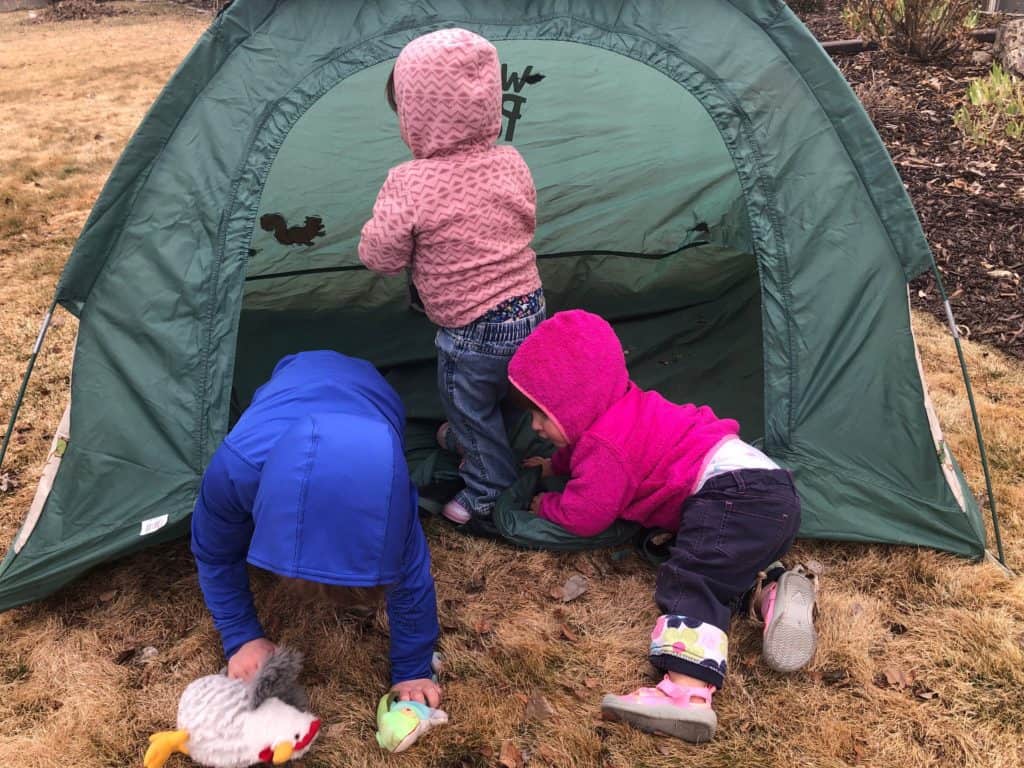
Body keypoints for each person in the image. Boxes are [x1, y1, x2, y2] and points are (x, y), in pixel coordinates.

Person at [508, 310, 817, 742]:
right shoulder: (622, 408)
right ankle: (771, 592)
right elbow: (582, 451)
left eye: (543, 415)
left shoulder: (604, 445)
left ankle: (686, 694)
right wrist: (553, 465)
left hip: (733, 494)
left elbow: (588, 511)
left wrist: (548, 505)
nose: (536, 426)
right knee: (723, 564)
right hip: (767, 490)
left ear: (577, 403)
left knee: (693, 575)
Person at [359, 28, 544, 526]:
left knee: (467, 402)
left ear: (415, 114)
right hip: (530, 307)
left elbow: (382, 256)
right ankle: (474, 438)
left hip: (471, 330)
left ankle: (488, 488)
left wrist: (379, 234)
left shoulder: (409, 182)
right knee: (507, 390)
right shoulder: (511, 161)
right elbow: (524, 218)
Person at [191, 350, 441, 707]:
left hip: (377, 394)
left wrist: (413, 670)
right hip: (293, 374)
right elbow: (215, 554)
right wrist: (241, 637)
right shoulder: (234, 471)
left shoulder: (390, 491)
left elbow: (412, 583)